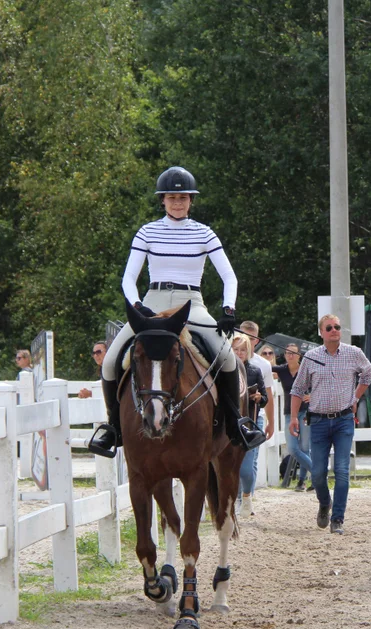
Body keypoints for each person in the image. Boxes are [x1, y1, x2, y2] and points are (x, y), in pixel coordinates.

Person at [88, 166, 264, 457]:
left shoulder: (204, 233)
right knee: (109, 362)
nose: (178, 202)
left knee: (227, 358)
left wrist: (228, 309)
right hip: (152, 301)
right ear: (163, 200)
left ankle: (236, 424)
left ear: (191, 200)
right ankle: (113, 428)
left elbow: (229, 276)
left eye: (183, 197)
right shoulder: (148, 231)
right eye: (172, 197)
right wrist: (137, 306)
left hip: (190, 303)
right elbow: (128, 279)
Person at [290, 314, 371, 535]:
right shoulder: (311, 357)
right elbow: (298, 389)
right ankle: (324, 502)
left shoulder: (354, 353)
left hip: (344, 420)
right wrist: (292, 418)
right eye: (329, 327)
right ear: (321, 333)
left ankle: (338, 518)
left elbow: (368, 373)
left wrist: (356, 397)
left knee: (342, 470)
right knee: (318, 473)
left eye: (337, 326)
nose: (334, 330)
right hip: (317, 421)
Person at [233, 335, 267, 516]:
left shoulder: (254, 371)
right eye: (236, 349)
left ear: (248, 351)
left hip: (251, 421)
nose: (239, 353)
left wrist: (259, 398)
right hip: (231, 422)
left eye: (243, 350)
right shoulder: (224, 370)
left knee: (246, 469)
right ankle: (237, 500)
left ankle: (246, 496)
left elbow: (265, 399)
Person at [272, 343, 312, 490]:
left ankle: (302, 481)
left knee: (305, 447)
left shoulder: (306, 369)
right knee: (293, 448)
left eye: (293, 353)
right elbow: (264, 367)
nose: (290, 355)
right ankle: (318, 473)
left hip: (306, 412)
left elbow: (321, 382)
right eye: (288, 353)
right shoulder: (282, 370)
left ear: (299, 355)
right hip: (290, 413)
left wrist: (312, 395)